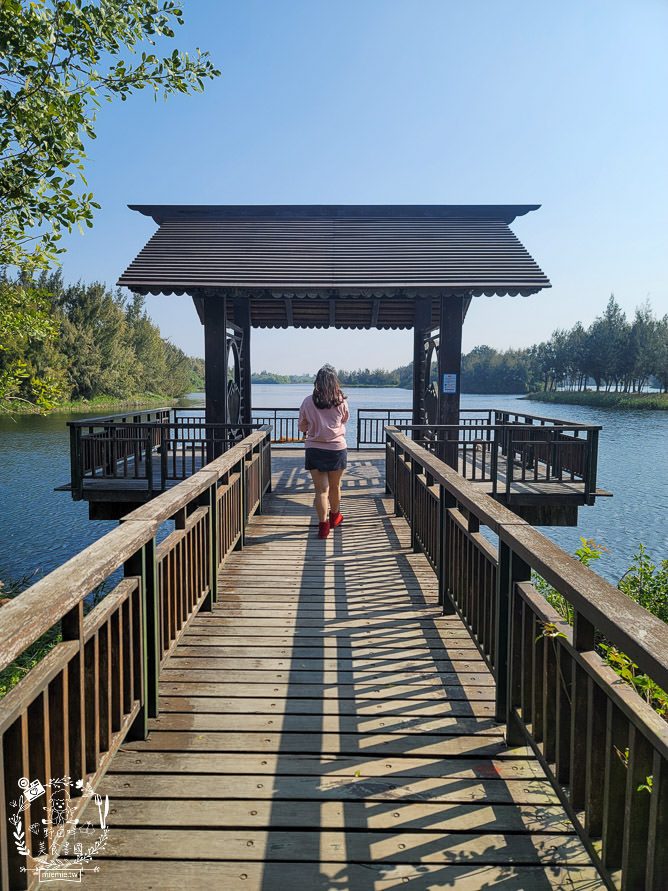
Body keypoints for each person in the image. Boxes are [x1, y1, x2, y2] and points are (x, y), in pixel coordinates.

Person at [298, 365, 350, 539]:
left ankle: (323, 528)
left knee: (321, 491)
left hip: (314, 449)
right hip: (337, 449)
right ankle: (335, 518)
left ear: (317, 382)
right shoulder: (341, 401)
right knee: (335, 486)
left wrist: (312, 426)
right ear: (335, 382)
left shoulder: (307, 401)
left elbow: (302, 426)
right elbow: (345, 419)